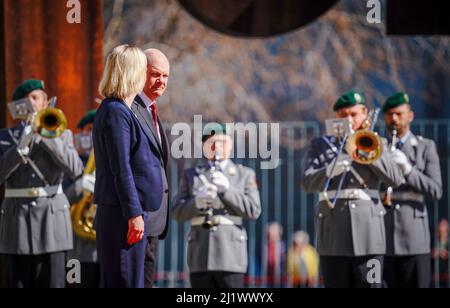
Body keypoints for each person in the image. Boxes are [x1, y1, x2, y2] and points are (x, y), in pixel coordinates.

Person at [301, 91, 404, 288]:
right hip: (333, 232)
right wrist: (329, 171)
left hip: (368, 233)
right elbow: (306, 183)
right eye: (343, 115)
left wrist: (369, 152)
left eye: (354, 114)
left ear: (365, 113)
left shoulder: (377, 142)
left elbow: (396, 178)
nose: (349, 119)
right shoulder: (320, 145)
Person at [0, 79, 83, 288]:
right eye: (26, 100)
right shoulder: (4, 137)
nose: (32, 103)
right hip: (16, 224)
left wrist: (46, 136)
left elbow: (75, 169)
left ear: (46, 103)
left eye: (36, 98)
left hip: (52, 224)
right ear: (18, 107)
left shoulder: (63, 134)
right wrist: (20, 147)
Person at [93, 44, 164, 288]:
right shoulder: (115, 111)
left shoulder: (122, 109)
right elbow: (121, 168)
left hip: (127, 213)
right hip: (121, 215)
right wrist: (134, 214)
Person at [172, 123, 261, 288]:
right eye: (212, 142)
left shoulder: (244, 174)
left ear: (231, 144)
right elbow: (177, 212)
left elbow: (253, 210)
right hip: (200, 253)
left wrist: (227, 190)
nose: (217, 147)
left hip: (230, 254)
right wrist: (197, 201)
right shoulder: (192, 175)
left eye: (222, 142)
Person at [382, 92, 442, 288]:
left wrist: (408, 169)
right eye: (390, 114)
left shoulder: (425, 147)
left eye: (399, 114)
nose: (394, 119)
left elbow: (435, 190)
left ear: (410, 116)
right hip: (383, 237)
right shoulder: (377, 147)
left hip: (414, 238)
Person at [131, 48, 170, 288]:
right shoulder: (131, 109)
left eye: (166, 76)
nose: (162, 81)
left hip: (154, 220)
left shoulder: (152, 110)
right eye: (156, 74)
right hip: (137, 219)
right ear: (140, 73)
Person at [65, 109, 99, 288]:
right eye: (89, 128)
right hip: (77, 250)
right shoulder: (69, 162)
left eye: (98, 128)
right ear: (81, 132)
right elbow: (60, 199)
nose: (93, 133)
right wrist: (80, 185)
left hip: (104, 249)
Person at [262, 222, 286, 287]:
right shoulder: (264, 247)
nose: (271, 237)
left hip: (282, 280)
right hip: (267, 279)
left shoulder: (284, 248)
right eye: (269, 235)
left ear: (279, 235)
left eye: (273, 235)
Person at [432, 219, 449, 288]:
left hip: (447, 277)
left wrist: (447, 254)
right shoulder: (433, 241)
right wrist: (436, 253)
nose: (442, 227)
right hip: (435, 278)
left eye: (444, 225)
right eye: (441, 225)